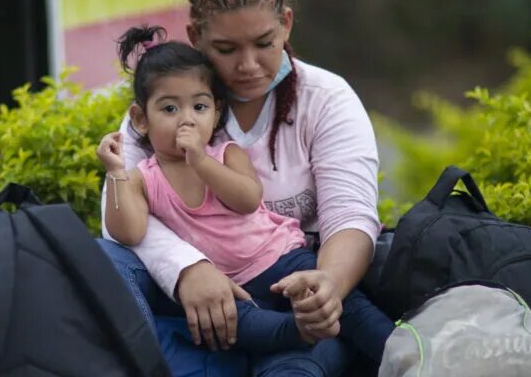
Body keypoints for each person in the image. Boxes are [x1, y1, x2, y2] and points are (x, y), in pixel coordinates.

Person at [98, 0, 393, 377]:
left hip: (289, 294)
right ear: (195, 36)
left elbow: (351, 218)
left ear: (286, 23)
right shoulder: (170, 98)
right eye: (225, 49)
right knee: (102, 259)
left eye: (263, 43)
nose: (248, 65)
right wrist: (190, 271)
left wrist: (327, 287)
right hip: (196, 305)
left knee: (292, 354)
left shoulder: (324, 101)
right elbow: (123, 228)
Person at [97, 25, 391, 357]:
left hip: (281, 257)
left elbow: (248, 200)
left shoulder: (224, 153)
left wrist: (200, 162)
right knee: (239, 325)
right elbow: (128, 233)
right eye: (169, 109)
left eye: (199, 107)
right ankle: (298, 333)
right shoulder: (140, 177)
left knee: (351, 310)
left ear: (216, 110)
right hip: (232, 284)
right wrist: (116, 173)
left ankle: (401, 351)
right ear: (140, 118)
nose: (186, 120)